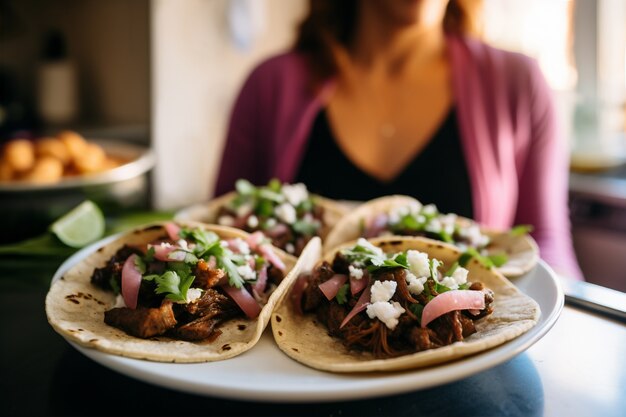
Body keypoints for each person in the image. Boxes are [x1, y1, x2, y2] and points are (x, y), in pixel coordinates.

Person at [215, 0, 583, 280]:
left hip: (473, 361)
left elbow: (546, 245)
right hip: (291, 373)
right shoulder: (270, 85)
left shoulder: (516, 83)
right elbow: (220, 233)